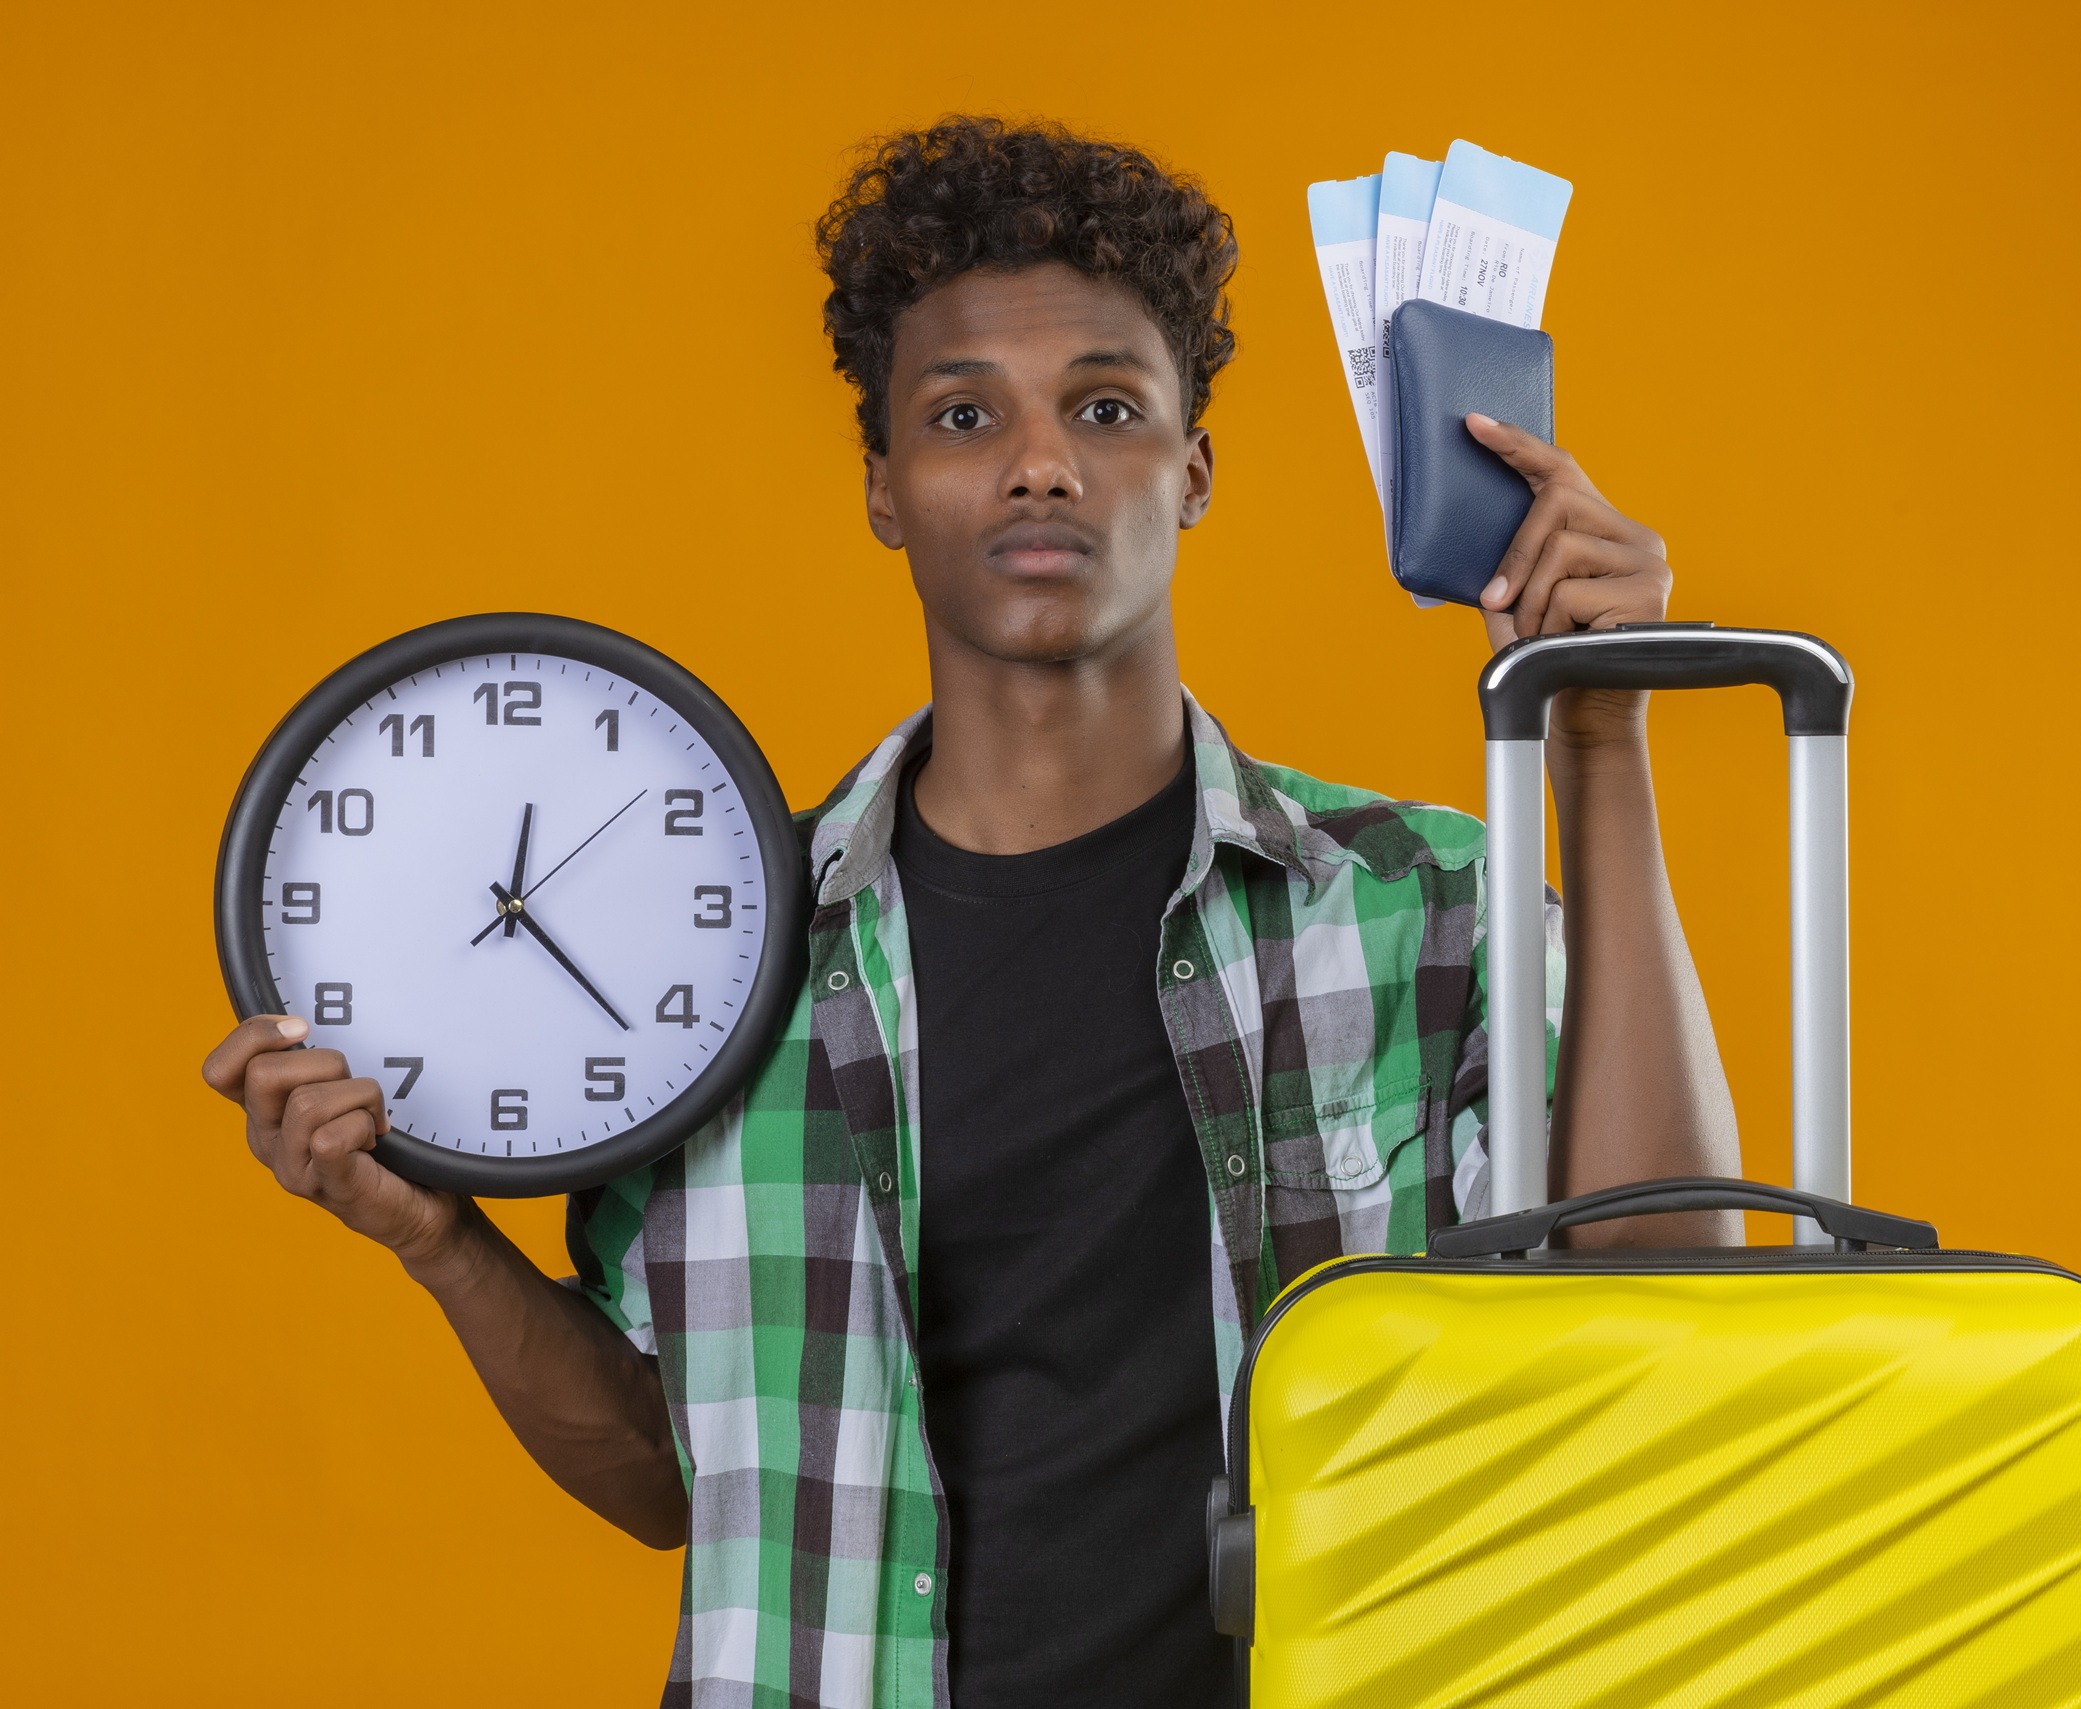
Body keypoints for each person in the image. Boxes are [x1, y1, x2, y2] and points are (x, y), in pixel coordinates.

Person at [200, 117, 1743, 1709]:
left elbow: (1670, 1283)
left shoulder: (1423, 903)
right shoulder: (713, 956)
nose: (1041, 461)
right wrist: (440, 1242)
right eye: (961, 413)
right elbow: (677, 1481)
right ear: (884, 484)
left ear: (1193, 469)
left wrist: (1599, 732)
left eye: (1106, 406)